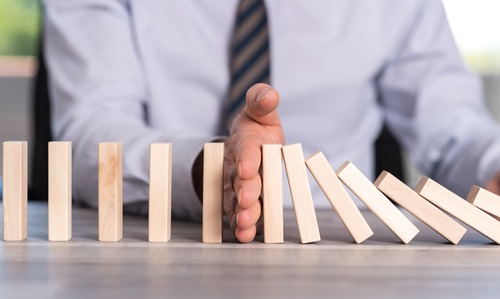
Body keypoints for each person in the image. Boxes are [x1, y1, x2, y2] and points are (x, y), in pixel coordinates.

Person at [42, 0, 500, 243]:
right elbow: (89, 135)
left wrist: (493, 167)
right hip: (152, 245)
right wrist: (214, 166)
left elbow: (455, 132)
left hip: (342, 256)